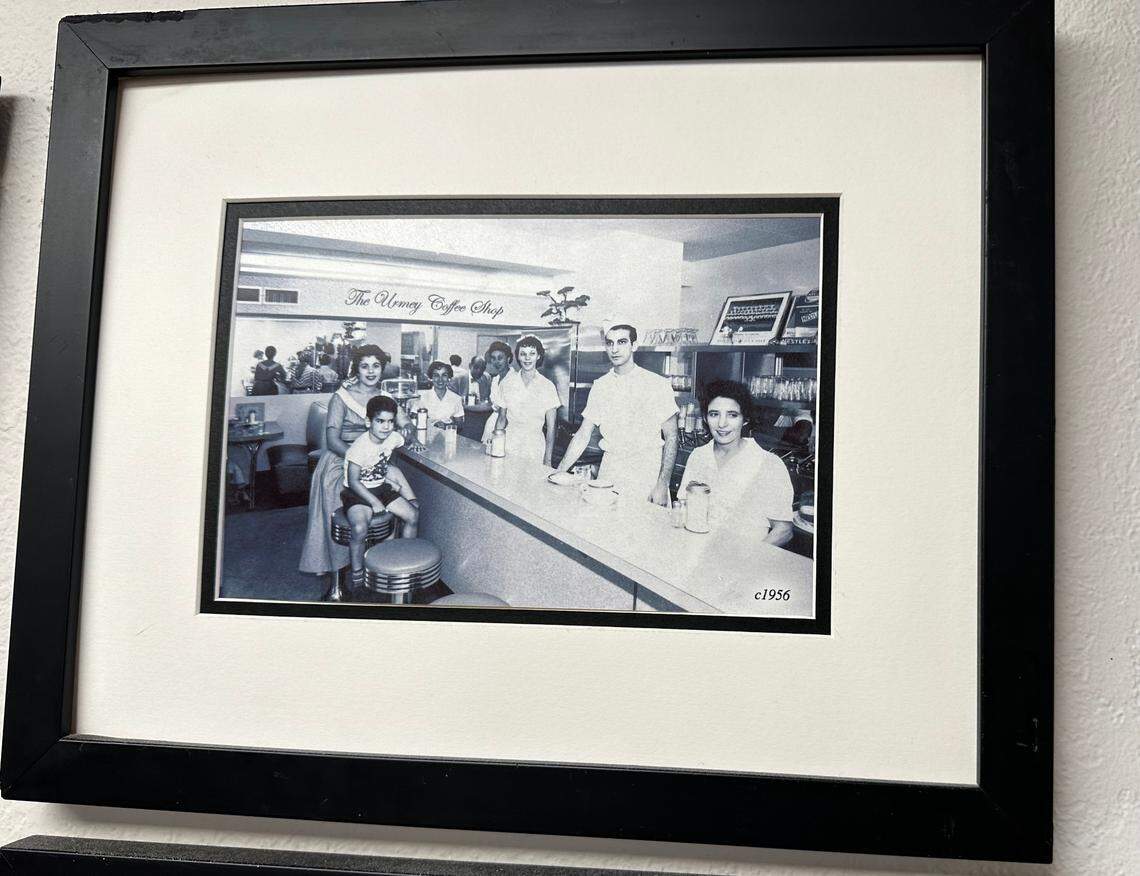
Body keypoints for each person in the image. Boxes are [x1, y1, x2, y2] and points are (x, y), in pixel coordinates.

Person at [299, 344, 417, 598]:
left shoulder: (386, 398)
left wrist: (410, 431)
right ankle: (339, 579)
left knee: (394, 496)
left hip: (372, 464)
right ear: (357, 368)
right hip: (341, 462)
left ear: (382, 369)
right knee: (338, 509)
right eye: (365, 366)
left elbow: (406, 422)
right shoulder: (341, 397)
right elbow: (332, 440)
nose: (371, 371)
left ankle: (383, 567)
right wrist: (363, 459)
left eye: (376, 366)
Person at [553, 323, 678, 505]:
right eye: (610, 343)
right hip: (610, 471)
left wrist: (661, 484)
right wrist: (559, 472)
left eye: (621, 342)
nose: (615, 349)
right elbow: (583, 434)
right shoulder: (601, 386)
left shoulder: (657, 385)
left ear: (634, 346)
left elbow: (672, 436)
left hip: (645, 473)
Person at [679, 379, 794, 545]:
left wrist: (750, 559)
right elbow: (685, 508)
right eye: (714, 414)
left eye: (732, 415)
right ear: (705, 418)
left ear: (745, 419)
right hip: (699, 553)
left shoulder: (768, 463)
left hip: (746, 560)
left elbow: (783, 530)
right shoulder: (698, 456)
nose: (722, 423)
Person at [342, 395, 419, 589]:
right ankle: (357, 571)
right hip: (358, 492)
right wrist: (374, 502)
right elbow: (353, 481)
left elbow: (407, 433)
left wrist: (414, 440)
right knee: (360, 528)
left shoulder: (392, 437)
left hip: (381, 488)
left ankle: (404, 559)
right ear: (368, 422)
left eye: (390, 421)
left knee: (412, 515)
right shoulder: (359, 447)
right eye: (380, 421)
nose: (386, 426)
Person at [492, 335, 561, 465]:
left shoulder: (547, 386)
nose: (527, 358)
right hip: (510, 444)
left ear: (538, 356)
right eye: (523, 354)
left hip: (534, 447)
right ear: (518, 356)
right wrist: (496, 447)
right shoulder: (507, 383)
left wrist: (548, 459)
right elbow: (501, 419)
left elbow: (552, 428)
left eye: (532, 353)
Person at [480, 340, 515, 442]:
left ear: (508, 359)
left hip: (507, 426)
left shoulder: (515, 379)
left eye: (500, 358)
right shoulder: (495, 379)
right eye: (493, 358)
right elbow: (492, 404)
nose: (496, 362)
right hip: (492, 423)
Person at [419, 361, 465, 427]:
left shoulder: (456, 399)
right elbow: (416, 419)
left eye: (444, 375)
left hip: (449, 435)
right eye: (436, 375)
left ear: (449, 377)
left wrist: (447, 425)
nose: (440, 379)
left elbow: (460, 425)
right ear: (431, 378)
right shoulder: (423, 397)